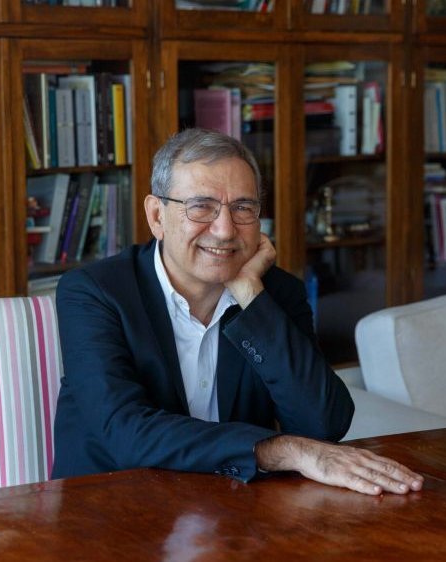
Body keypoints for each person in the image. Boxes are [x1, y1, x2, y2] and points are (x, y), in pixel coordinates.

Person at [51, 128, 422, 496]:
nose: (225, 229)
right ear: (157, 216)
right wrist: (279, 449)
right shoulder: (94, 293)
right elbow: (124, 432)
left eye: (243, 208)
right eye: (201, 207)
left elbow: (324, 424)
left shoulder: (274, 293)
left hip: (233, 510)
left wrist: (249, 293)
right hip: (112, 511)